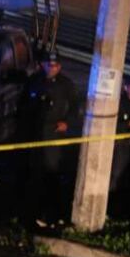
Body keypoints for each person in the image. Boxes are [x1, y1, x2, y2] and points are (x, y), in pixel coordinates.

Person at [22, 51, 79, 229]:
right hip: (35, 133)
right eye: (48, 64)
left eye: (54, 65)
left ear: (59, 67)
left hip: (54, 134)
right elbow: (23, 105)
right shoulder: (34, 81)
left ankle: (50, 215)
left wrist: (67, 123)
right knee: (33, 174)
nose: (51, 68)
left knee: (51, 174)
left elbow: (76, 107)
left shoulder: (66, 85)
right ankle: (29, 214)